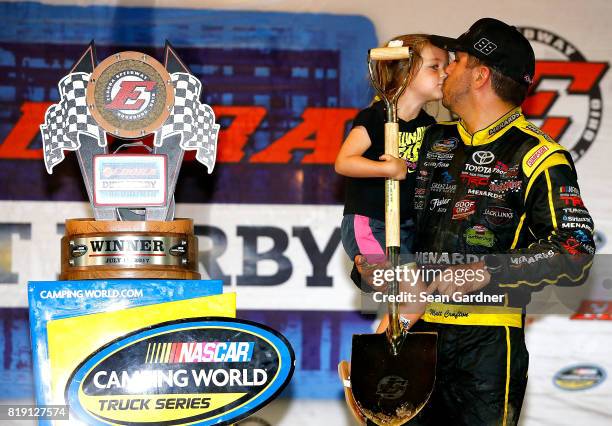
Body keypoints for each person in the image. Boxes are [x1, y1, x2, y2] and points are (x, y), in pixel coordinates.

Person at [357, 18, 595, 425]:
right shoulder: (432, 141)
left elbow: (575, 250)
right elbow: (399, 226)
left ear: (481, 74)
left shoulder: (539, 156)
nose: (446, 68)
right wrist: (375, 268)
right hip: (418, 337)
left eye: (458, 60)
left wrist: (486, 271)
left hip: (487, 349)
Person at [335, 34, 448, 318]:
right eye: (434, 67)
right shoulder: (374, 117)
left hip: (405, 227)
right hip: (370, 223)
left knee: (408, 303)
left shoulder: (429, 126)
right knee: (414, 299)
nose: (444, 73)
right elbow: (344, 162)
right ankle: (372, 361)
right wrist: (386, 168)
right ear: (406, 72)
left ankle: (368, 362)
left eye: (445, 67)